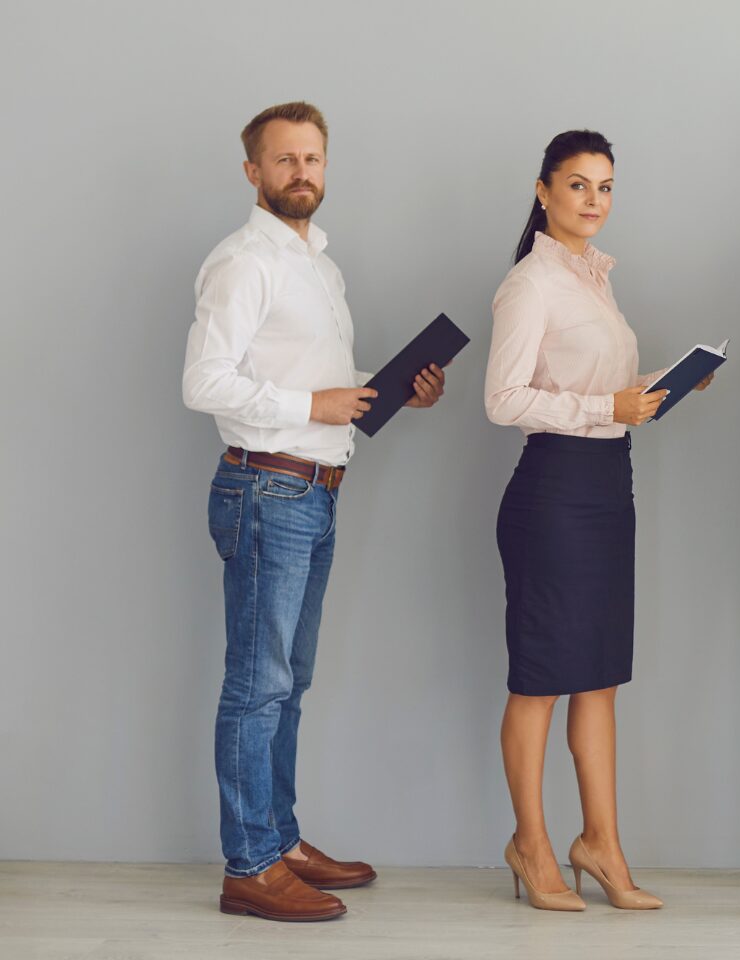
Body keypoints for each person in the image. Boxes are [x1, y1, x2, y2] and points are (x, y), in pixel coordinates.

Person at [184, 101, 446, 922]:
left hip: (315, 490)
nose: (303, 173)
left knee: (288, 685)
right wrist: (315, 401)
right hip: (267, 487)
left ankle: (281, 839)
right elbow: (204, 383)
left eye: (314, 159)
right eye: (285, 159)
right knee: (256, 686)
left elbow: (328, 395)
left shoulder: (318, 266)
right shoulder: (243, 262)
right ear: (253, 172)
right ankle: (249, 866)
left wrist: (392, 391)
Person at [483, 129, 711, 912]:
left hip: (612, 487)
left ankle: (601, 845)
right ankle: (532, 844)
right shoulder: (529, 284)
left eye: (606, 187)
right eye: (578, 185)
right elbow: (503, 399)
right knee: (542, 679)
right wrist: (604, 406)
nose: (594, 201)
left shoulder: (595, 280)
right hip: (552, 495)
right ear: (543, 192)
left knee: (602, 679)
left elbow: (601, 389)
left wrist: (661, 387)